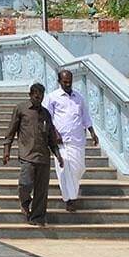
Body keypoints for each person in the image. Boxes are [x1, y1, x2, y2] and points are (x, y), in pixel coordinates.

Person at [2, 82, 63, 227]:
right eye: (36, 97)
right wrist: (6, 150)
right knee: (25, 183)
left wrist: (58, 155)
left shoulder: (46, 114)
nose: (38, 100)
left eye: (41, 97)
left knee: (42, 191)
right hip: (27, 155)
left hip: (43, 156)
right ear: (30, 95)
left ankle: (37, 218)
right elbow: (11, 131)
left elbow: (51, 138)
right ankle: (24, 202)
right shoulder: (21, 109)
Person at [44, 69, 98, 211]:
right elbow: (46, 118)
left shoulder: (79, 97)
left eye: (70, 82)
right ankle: (69, 199)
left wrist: (92, 133)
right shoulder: (52, 97)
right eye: (65, 82)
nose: (68, 84)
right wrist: (54, 133)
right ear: (59, 81)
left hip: (78, 140)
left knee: (78, 169)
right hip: (61, 142)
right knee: (64, 170)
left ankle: (71, 194)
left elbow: (85, 117)